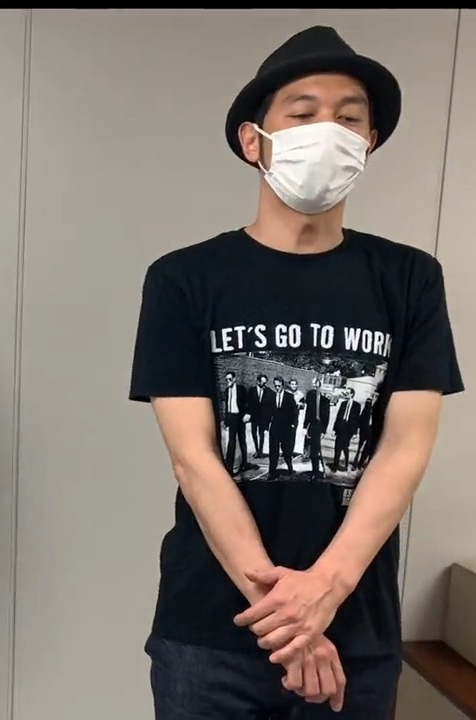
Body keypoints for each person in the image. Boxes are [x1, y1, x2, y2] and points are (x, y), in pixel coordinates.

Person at [128, 26, 463, 720]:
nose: (328, 130)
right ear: (254, 141)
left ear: (369, 143)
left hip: (357, 627)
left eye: (349, 118)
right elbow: (194, 460)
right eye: (303, 113)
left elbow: (404, 450)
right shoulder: (184, 279)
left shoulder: (409, 279)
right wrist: (292, 622)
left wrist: (326, 592)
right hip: (211, 633)